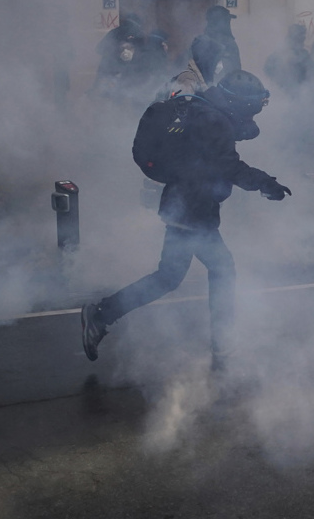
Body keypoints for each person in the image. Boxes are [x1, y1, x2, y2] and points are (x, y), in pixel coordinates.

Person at [80, 70, 291, 371]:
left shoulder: (204, 111)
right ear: (240, 103)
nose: (254, 113)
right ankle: (222, 341)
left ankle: (102, 315)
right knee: (220, 268)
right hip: (193, 208)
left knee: (170, 276)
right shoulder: (214, 121)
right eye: (252, 107)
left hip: (184, 205)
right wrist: (266, 184)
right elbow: (230, 167)